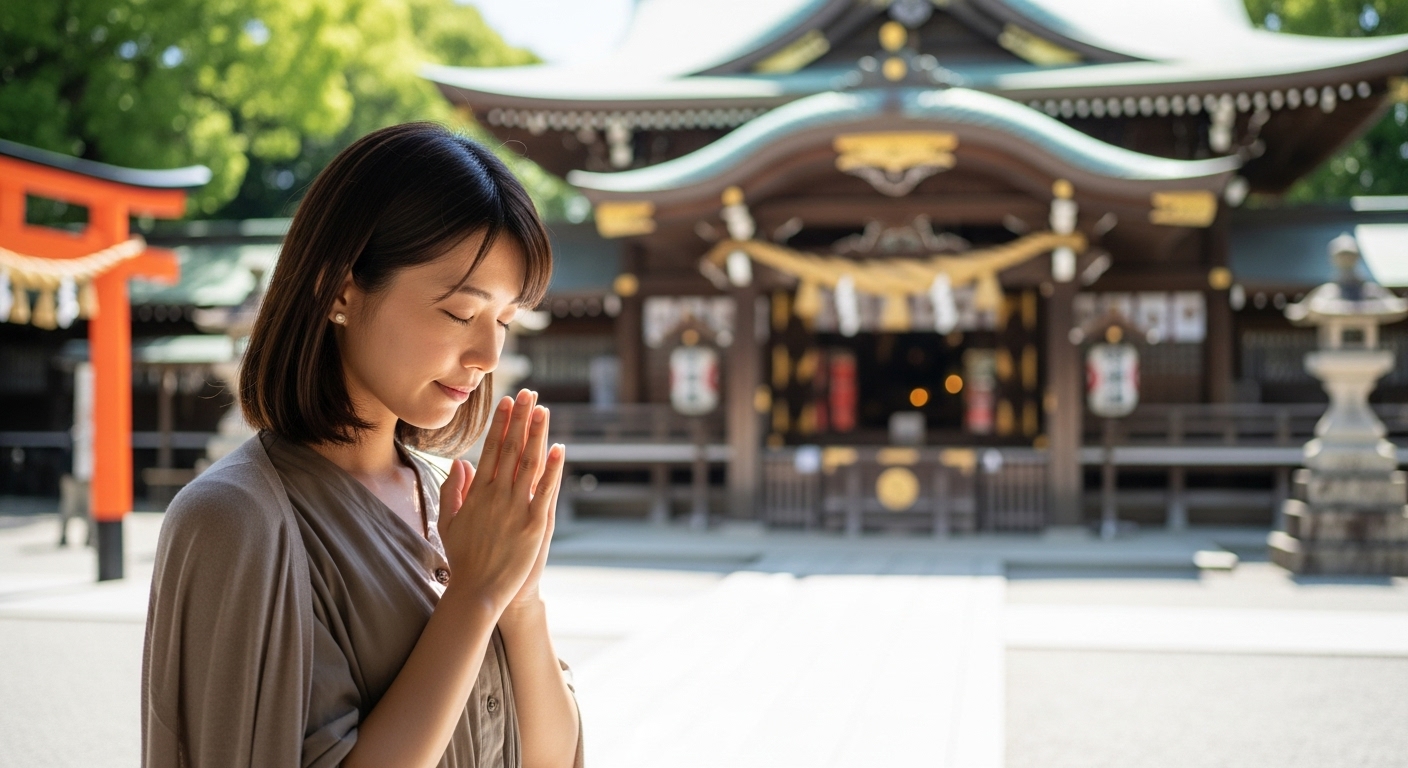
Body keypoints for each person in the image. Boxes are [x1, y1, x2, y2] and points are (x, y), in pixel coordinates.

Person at [142, 122, 583, 768]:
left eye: (506, 322)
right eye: (462, 313)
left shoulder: (450, 495)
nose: (489, 355)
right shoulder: (238, 521)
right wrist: (473, 598)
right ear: (342, 289)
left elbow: (554, 759)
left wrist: (519, 600)